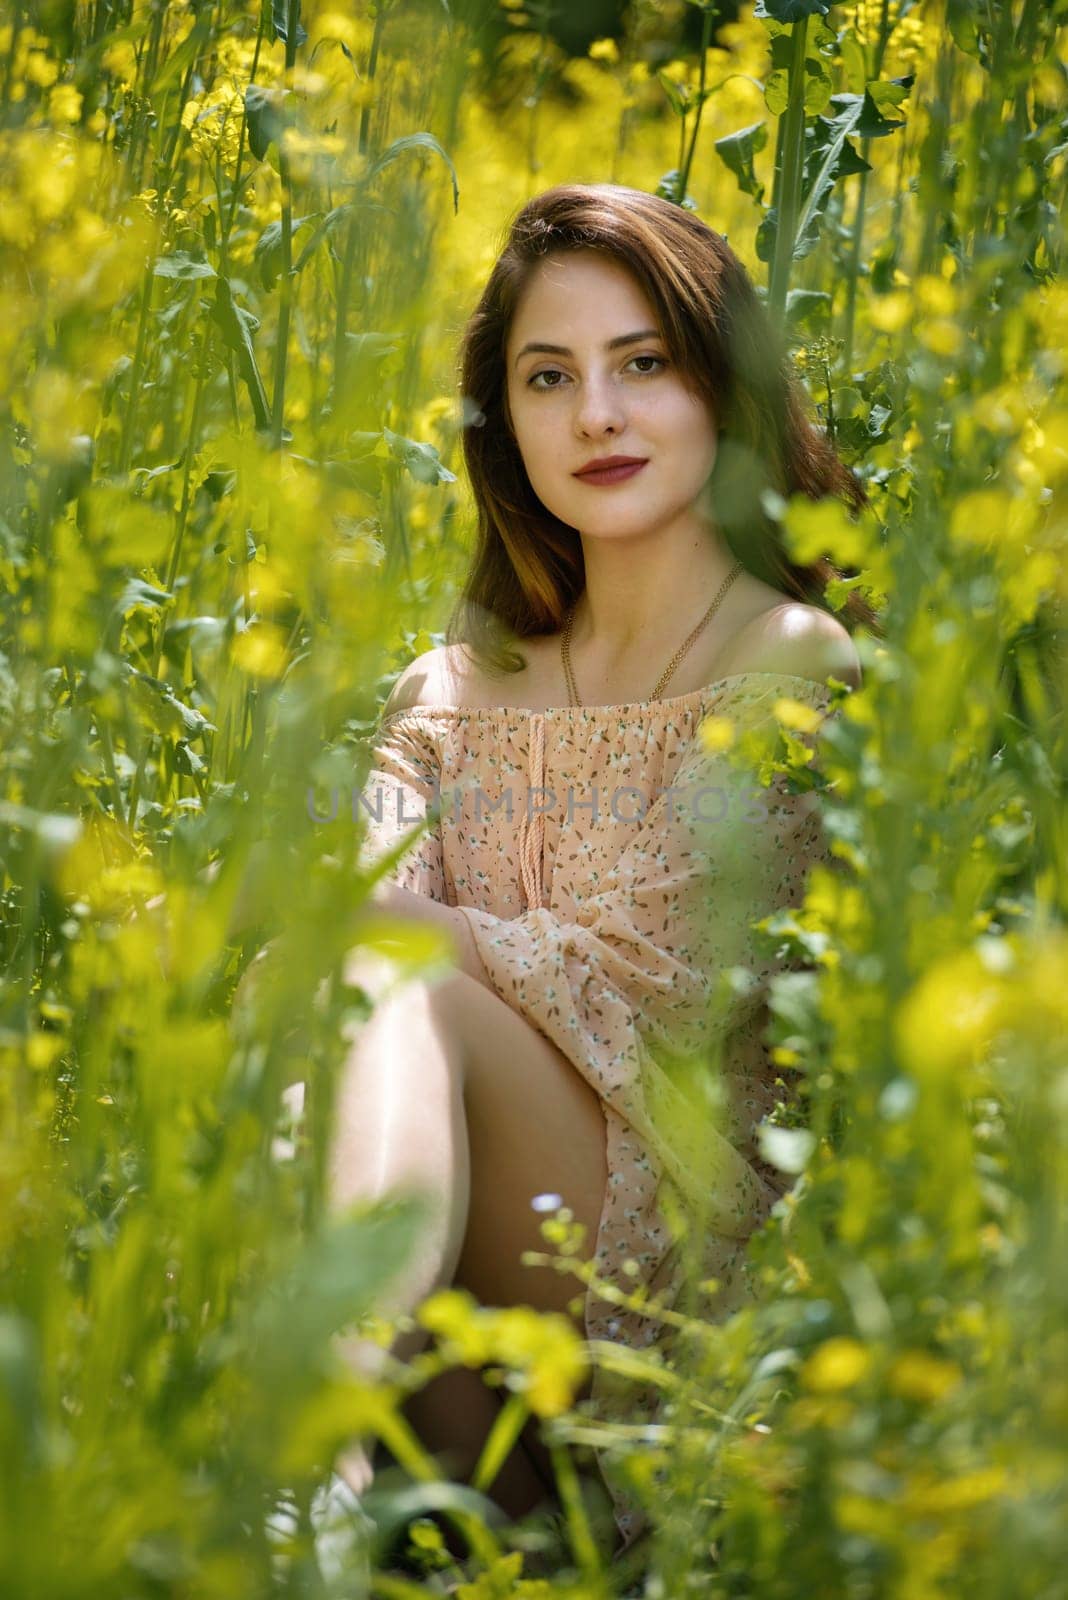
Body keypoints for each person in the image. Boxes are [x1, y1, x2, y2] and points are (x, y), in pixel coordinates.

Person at [326, 182, 874, 1557]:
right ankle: (323, 1469)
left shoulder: (792, 665)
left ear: (722, 388)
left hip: (635, 1327)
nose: (597, 418)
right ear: (502, 424)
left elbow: (663, 999)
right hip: (444, 1350)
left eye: (644, 365)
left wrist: (420, 940)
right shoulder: (442, 692)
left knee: (404, 989)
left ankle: (302, 1453)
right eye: (548, 377)